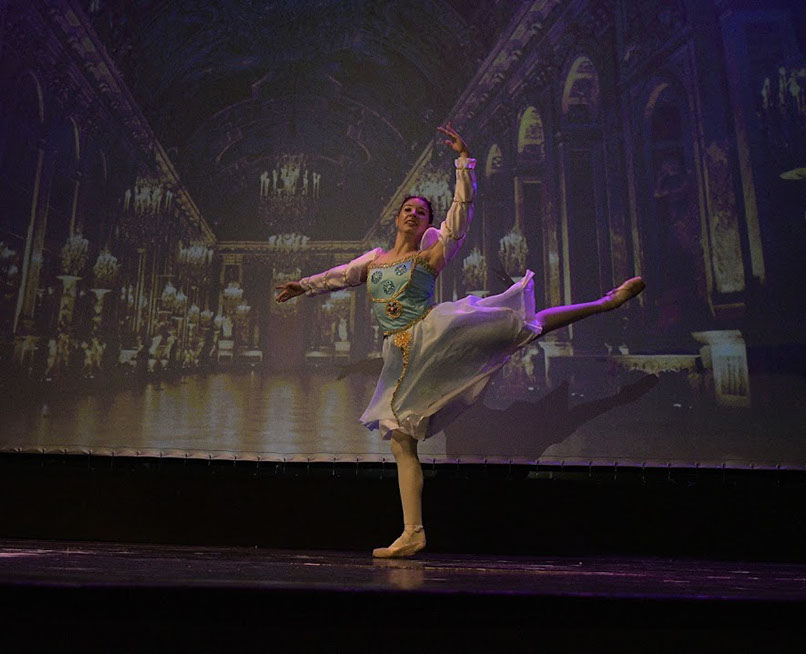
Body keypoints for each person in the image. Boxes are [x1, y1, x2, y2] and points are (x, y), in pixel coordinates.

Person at [275, 124, 645, 558]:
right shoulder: (374, 260)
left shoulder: (430, 254)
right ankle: (413, 532)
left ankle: (605, 302)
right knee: (400, 439)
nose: (413, 214)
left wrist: (464, 163)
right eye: (407, 209)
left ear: (427, 223)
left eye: (421, 212)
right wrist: (303, 286)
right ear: (396, 217)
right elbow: (339, 275)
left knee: (523, 324)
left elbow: (460, 216)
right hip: (397, 353)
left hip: (434, 335)